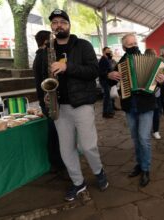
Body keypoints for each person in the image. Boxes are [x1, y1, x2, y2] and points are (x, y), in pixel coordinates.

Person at [47, 9, 108, 201]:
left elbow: (93, 71)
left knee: (88, 146)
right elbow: (43, 76)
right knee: (66, 149)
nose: (59, 25)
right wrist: (47, 96)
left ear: (69, 24)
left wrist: (67, 67)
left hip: (82, 104)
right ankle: (78, 183)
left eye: (62, 22)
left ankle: (99, 172)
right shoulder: (47, 50)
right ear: (51, 26)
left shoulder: (83, 45)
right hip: (60, 107)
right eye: (55, 22)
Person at [107, 34, 164, 187]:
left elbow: (158, 83)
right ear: (124, 47)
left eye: (135, 43)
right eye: (130, 44)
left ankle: (145, 169)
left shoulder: (150, 60)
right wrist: (110, 75)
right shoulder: (121, 62)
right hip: (129, 105)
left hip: (146, 104)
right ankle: (139, 165)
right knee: (135, 137)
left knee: (144, 138)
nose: (134, 45)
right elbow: (110, 79)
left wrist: (162, 81)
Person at [33, 30, 66, 175]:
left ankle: (57, 163)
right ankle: (57, 163)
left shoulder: (39, 56)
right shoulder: (42, 56)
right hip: (48, 99)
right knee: (55, 133)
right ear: (46, 42)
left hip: (46, 98)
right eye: (51, 40)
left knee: (55, 133)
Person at [145, 48, 162, 140]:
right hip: (146, 96)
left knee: (156, 113)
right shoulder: (143, 66)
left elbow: (162, 81)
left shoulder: (160, 66)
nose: (156, 57)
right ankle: (148, 131)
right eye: (153, 56)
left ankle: (156, 131)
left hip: (156, 94)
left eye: (155, 55)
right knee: (147, 113)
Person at [99, 46, 115, 118]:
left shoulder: (108, 59)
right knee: (107, 97)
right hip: (104, 80)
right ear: (104, 52)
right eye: (107, 51)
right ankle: (105, 113)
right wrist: (107, 74)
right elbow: (100, 72)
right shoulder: (102, 60)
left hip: (108, 80)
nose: (109, 52)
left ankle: (110, 111)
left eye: (109, 51)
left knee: (109, 96)